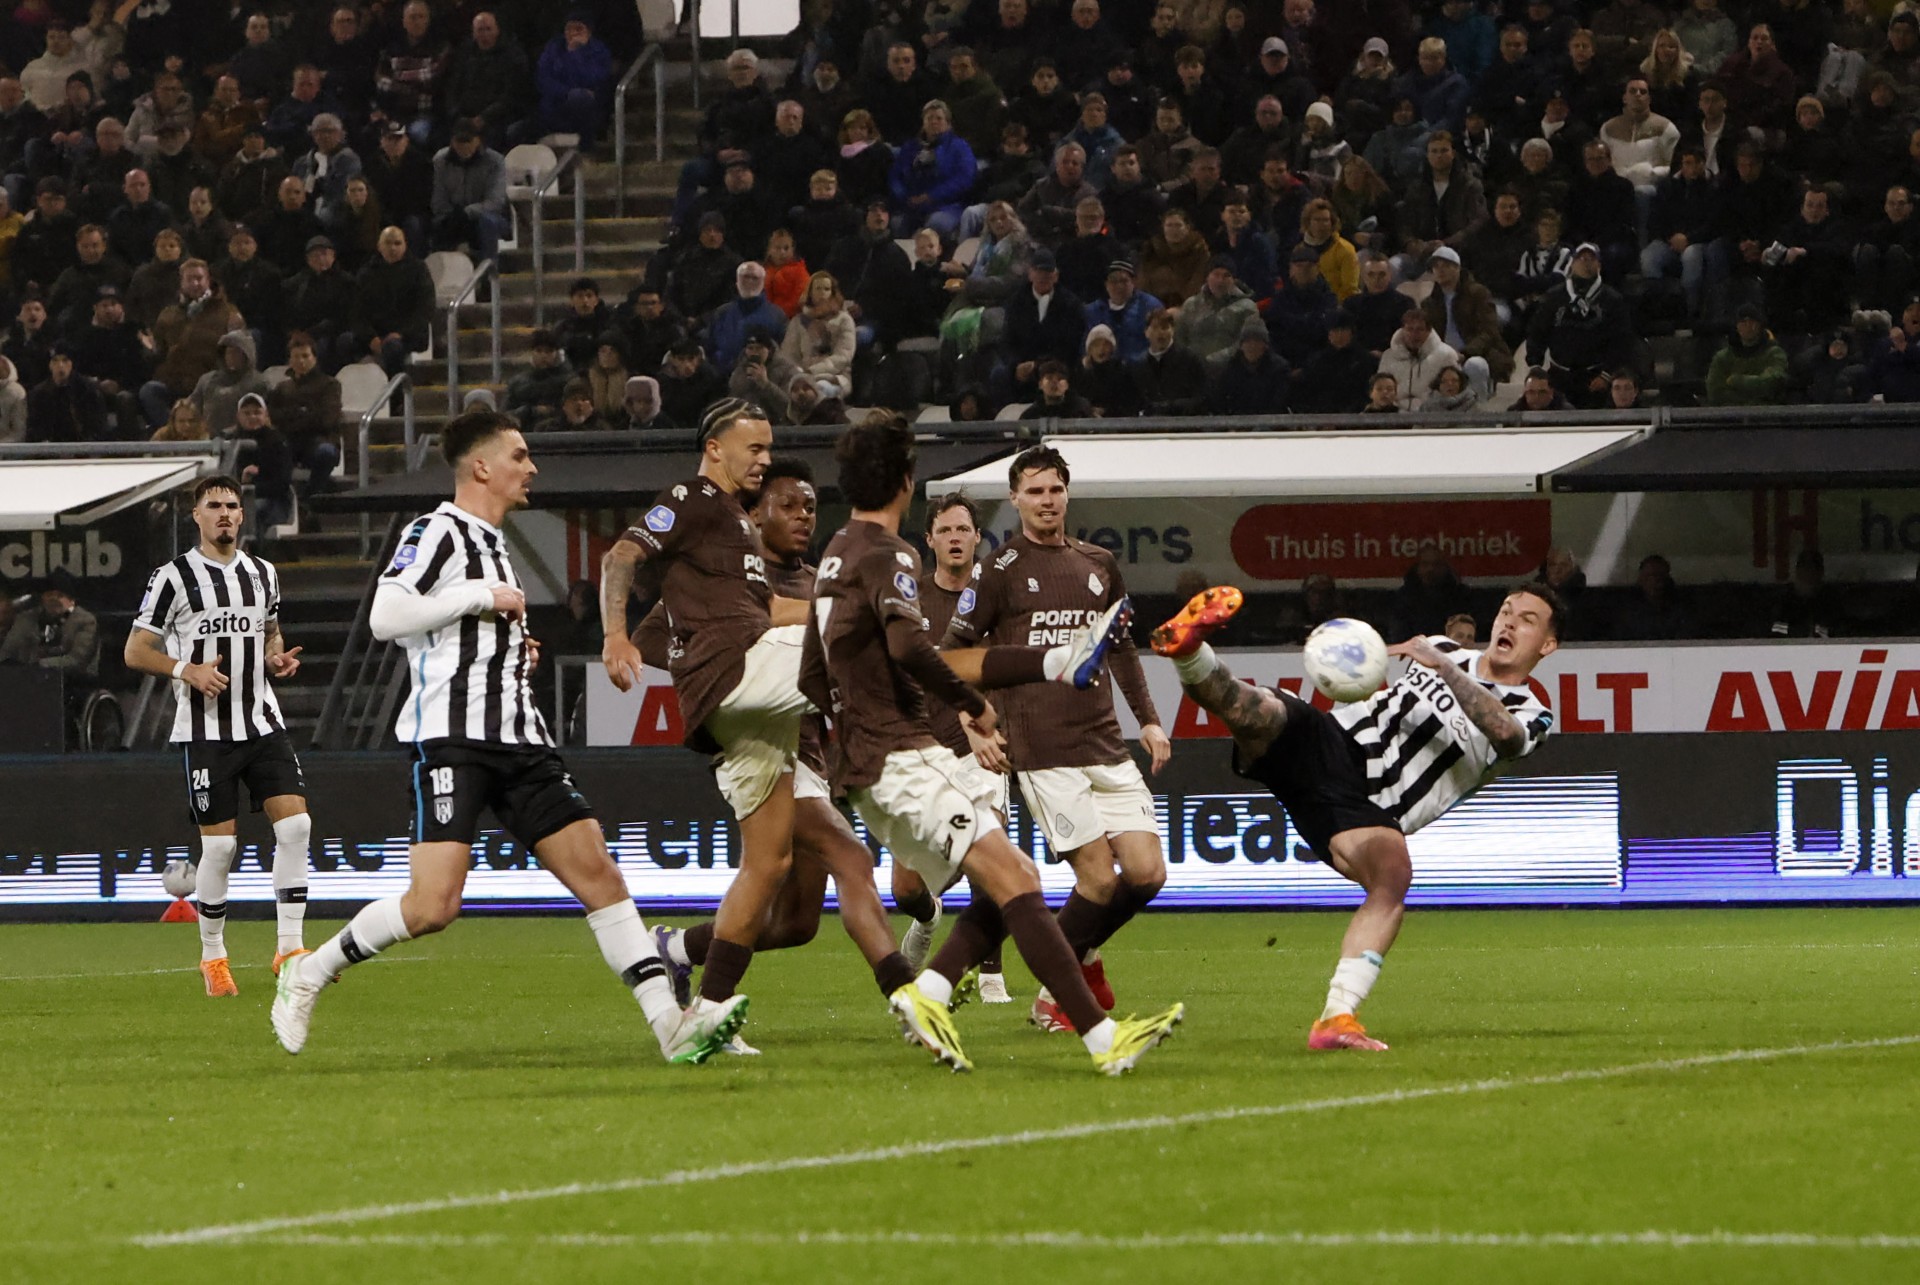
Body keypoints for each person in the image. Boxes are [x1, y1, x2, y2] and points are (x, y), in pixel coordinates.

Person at [271, 410, 747, 1063]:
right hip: (453, 740)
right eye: (519, 456)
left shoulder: (496, 545)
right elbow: (387, 614)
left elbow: (458, 632)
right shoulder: (437, 530)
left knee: (601, 875)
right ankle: (310, 970)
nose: (532, 467)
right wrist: (478, 599)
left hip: (523, 740)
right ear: (481, 466)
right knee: (433, 905)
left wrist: (511, 648)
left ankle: (671, 1026)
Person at [805, 414, 1185, 1073]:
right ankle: (1098, 1036)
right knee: (1016, 879)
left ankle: (928, 993)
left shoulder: (835, 552)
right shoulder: (893, 555)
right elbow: (915, 647)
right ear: (906, 481)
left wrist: (839, 731)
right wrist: (973, 705)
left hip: (875, 757)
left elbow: (813, 670)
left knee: (1011, 880)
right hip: (901, 754)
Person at [1148, 580, 1558, 1050]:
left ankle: (1336, 1020)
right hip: (1334, 743)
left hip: (1367, 806)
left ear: (1547, 645)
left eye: (1527, 620)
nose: (1509, 622)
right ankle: (1189, 650)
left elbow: (1507, 736)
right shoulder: (1441, 648)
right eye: (1506, 610)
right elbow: (1369, 657)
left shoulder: (1531, 710)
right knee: (1250, 709)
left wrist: (1445, 668)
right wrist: (1344, 648)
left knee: (1392, 875)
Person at [648, 459, 925, 1052]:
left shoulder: (818, 580)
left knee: (795, 923)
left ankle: (676, 950)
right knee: (850, 858)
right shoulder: (721, 578)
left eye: (810, 507)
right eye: (788, 506)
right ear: (753, 515)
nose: (803, 518)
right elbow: (654, 637)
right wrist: (710, 673)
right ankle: (909, 998)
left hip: (810, 755)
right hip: (758, 744)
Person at [943, 444, 1170, 1030]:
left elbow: (1121, 646)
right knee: (1097, 879)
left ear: (1068, 495)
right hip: (1042, 750)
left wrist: (1147, 718)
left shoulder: (1099, 563)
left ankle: (1080, 952)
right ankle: (1055, 997)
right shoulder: (998, 570)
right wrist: (972, 723)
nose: (1047, 501)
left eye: (1055, 490)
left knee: (1147, 874)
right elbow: (953, 654)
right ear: (1015, 498)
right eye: (1035, 491)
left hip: (1105, 743)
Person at [120, 476, 310, 997]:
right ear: (196, 516)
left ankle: (290, 949)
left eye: (231, 505)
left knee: (296, 828)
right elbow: (135, 651)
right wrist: (188, 670)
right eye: (214, 505)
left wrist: (276, 657)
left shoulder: (263, 573)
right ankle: (213, 957)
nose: (224, 513)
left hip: (262, 723)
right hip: (207, 731)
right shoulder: (173, 577)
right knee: (221, 848)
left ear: (242, 515)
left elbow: (270, 631)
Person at [913, 492, 1012, 1003]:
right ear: (929, 540)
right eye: (945, 530)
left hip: (982, 749)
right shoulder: (908, 599)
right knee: (909, 886)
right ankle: (926, 912)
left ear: (977, 537)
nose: (955, 538)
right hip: (921, 751)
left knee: (993, 856)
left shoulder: (994, 595)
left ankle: (991, 973)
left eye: (963, 530)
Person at [2, 568, 98, 676]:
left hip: (74, 680)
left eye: (60, 595)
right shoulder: (26, 618)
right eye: (49, 594)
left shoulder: (85, 621)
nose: (54, 599)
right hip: (28, 678)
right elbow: (6, 652)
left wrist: (40, 664)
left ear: (72, 600)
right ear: (42, 598)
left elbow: (77, 661)